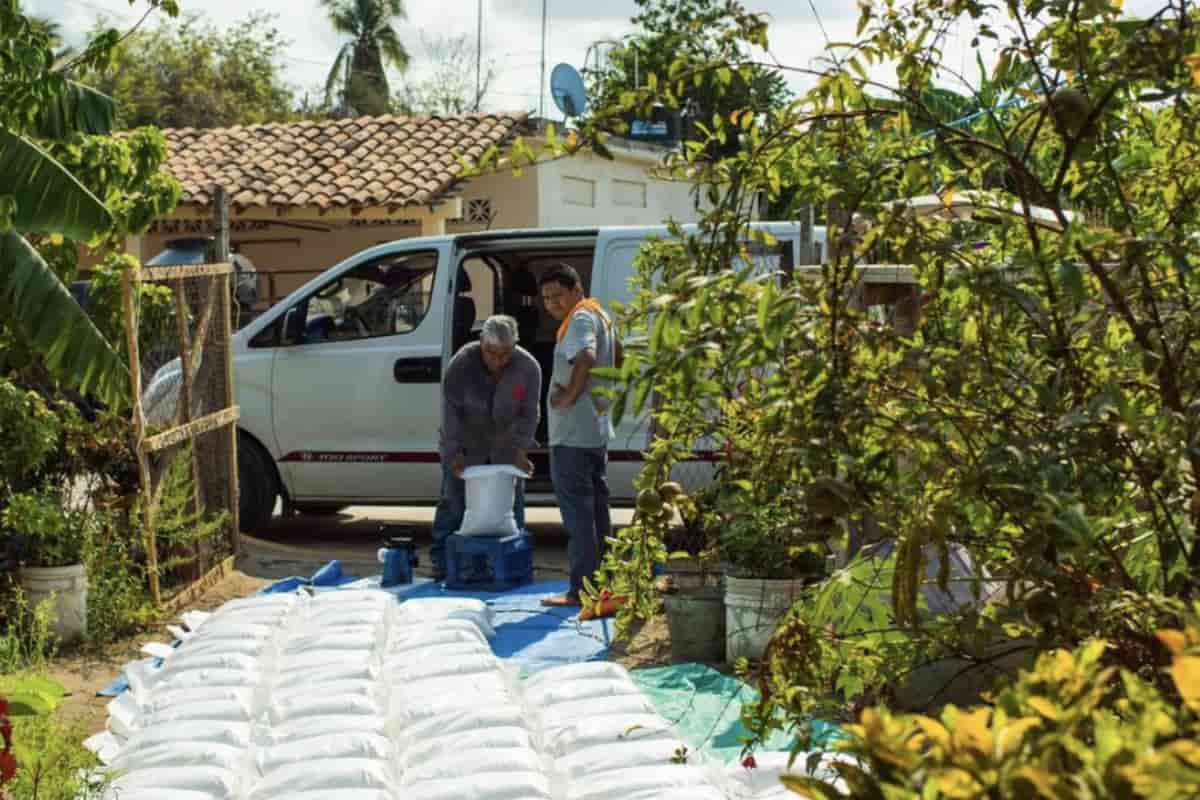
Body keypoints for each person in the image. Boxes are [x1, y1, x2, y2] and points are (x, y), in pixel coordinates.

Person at [432, 314, 542, 578]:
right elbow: (450, 413)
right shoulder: (461, 363)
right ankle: (444, 564)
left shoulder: (528, 368)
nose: (498, 361)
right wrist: (453, 452)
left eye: (505, 354)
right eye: (491, 353)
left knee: (509, 507)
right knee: (454, 502)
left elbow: (529, 413)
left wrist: (520, 451)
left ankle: (510, 566)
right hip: (467, 445)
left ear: (514, 347)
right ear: (481, 343)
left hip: (506, 446)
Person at [537, 264, 617, 607]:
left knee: (579, 517)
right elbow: (620, 356)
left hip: (573, 433)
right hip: (593, 429)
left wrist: (567, 397)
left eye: (558, 295)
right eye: (546, 298)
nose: (552, 303)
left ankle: (580, 590)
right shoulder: (601, 315)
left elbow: (585, 356)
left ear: (576, 290)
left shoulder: (582, 318)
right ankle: (604, 584)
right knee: (597, 512)